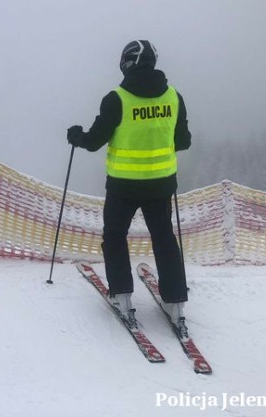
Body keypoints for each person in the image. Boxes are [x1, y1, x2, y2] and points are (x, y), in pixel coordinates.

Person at [67, 40, 191, 333]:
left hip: (123, 186)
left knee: (115, 236)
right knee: (164, 238)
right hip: (161, 185)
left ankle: (122, 296)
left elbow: (95, 141)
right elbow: (183, 141)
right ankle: (175, 302)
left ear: (126, 63)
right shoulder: (174, 97)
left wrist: (76, 136)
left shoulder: (116, 99)